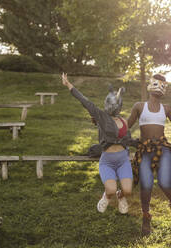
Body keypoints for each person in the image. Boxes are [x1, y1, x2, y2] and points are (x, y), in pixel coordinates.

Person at [62, 73, 136, 214]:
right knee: (111, 189)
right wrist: (69, 85)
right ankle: (107, 197)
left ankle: (121, 197)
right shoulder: (101, 116)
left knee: (127, 190)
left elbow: (128, 141)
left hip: (123, 160)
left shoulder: (124, 121)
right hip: (107, 161)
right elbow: (85, 101)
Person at [127, 73, 171, 235]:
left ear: (164, 89)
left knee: (164, 182)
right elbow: (125, 126)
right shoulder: (139, 106)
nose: (159, 87)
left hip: (162, 147)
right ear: (150, 85)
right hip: (145, 149)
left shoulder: (166, 108)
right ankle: (146, 217)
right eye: (157, 83)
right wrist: (103, 120)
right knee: (146, 184)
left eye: (162, 84)